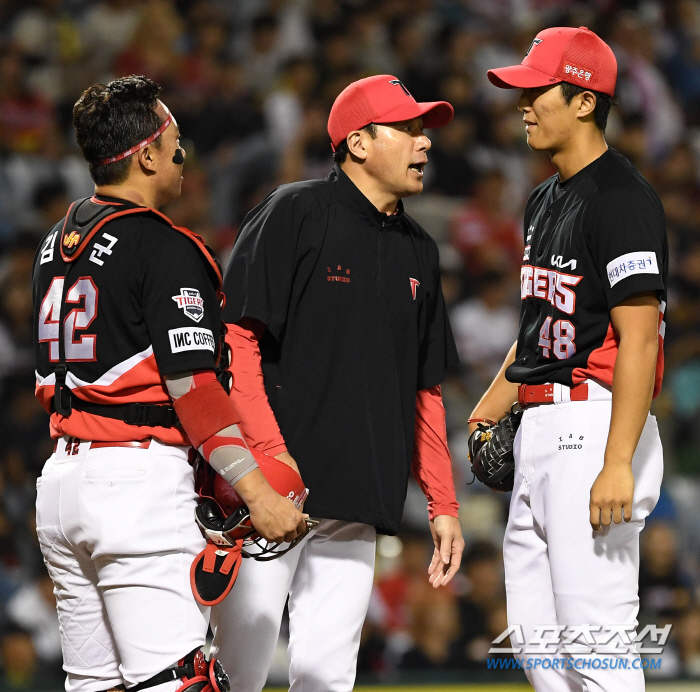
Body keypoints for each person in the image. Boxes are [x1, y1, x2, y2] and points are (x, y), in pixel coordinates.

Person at [32, 75, 306, 692]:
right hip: (134, 484)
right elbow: (194, 386)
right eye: (176, 141)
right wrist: (258, 493)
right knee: (175, 682)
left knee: (93, 685)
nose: (185, 155)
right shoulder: (165, 245)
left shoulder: (56, 240)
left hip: (62, 481)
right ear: (148, 154)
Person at [210, 74, 465, 692]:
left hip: (355, 501)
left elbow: (424, 389)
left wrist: (444, 502)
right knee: (234, 674)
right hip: (267, 500)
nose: (424, 142)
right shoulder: (294, 211)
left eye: (423, 129)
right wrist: (268, 460)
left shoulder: (421, 250)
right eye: (406, 129)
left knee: (328, 678)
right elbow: (236, 342)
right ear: (357, 143)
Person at [471, 27, 667, 691]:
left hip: (593, 428)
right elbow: (539, 328)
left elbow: (640, 338)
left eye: (536, 90)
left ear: (584, 101)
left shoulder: (623, 199)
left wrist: (618, 461)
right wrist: (488, 408)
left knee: (598, 645)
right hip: (539, 427)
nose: (522, 104)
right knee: (537, 650)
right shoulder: (544, 197)